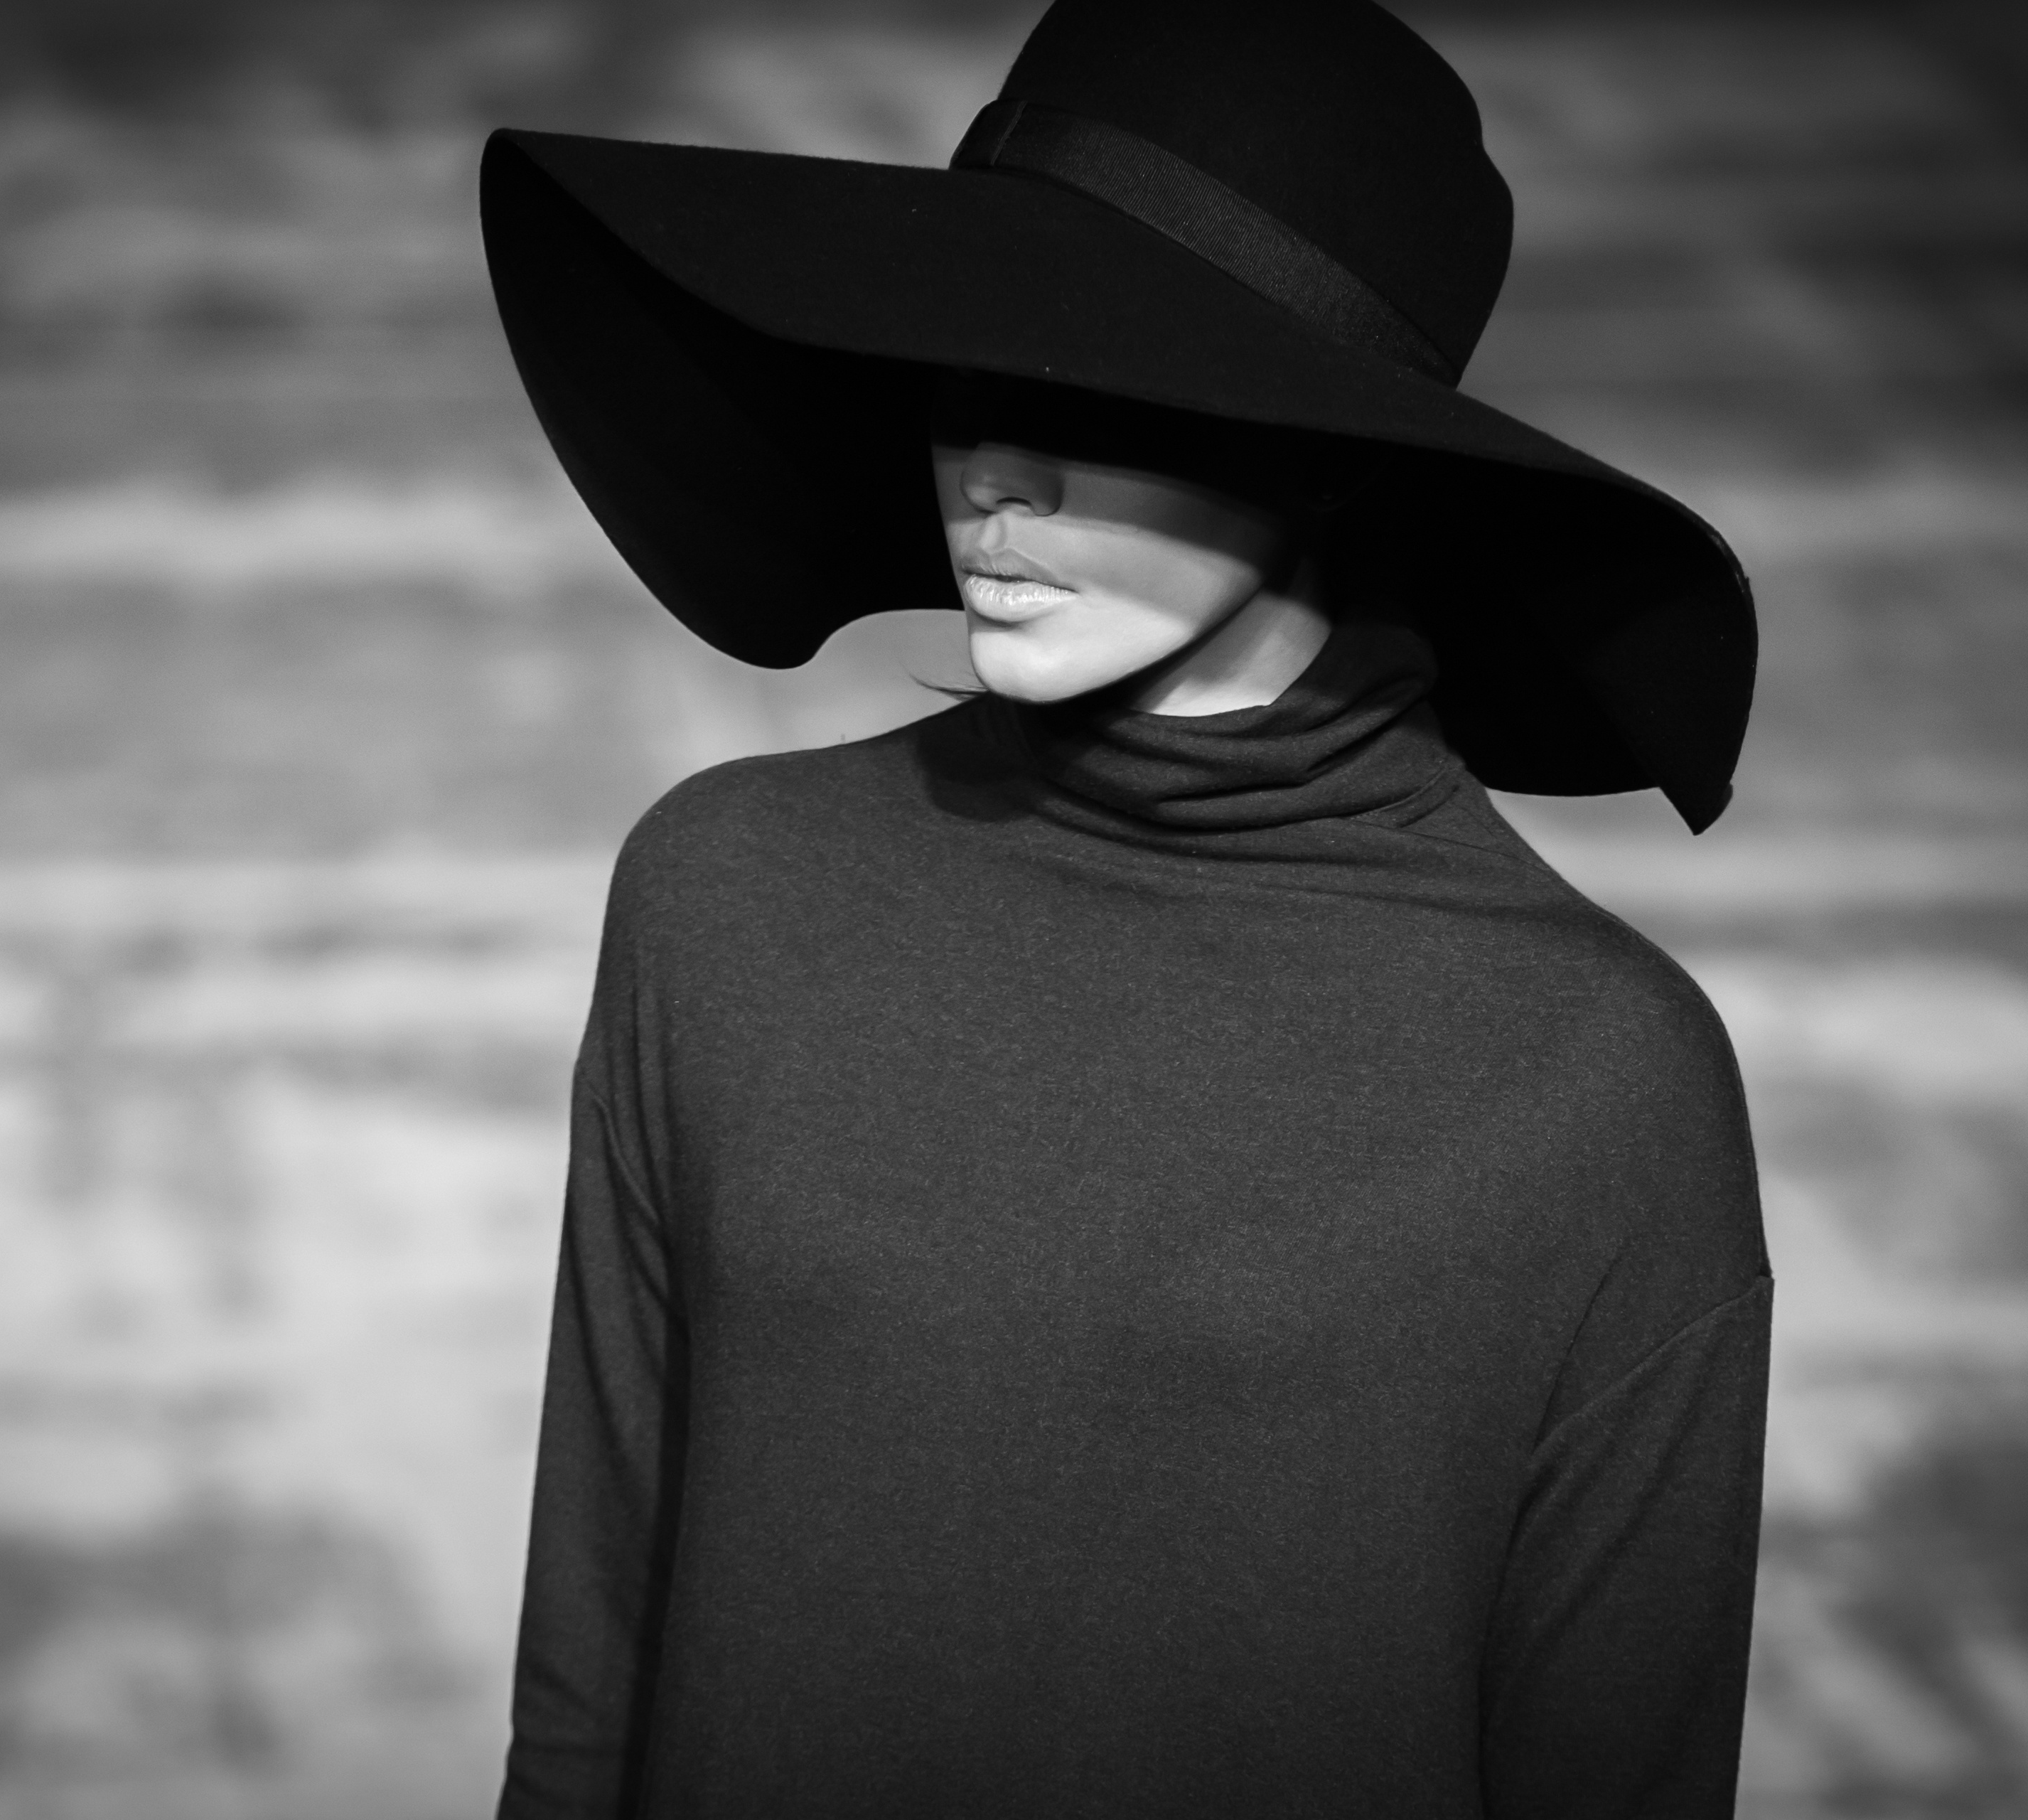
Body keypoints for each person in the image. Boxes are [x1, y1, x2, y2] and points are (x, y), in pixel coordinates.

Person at [479, 2, 1771, 1815]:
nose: (989, 476)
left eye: (1089, 380)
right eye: (957, 366)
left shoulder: (1594, 1081)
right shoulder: (726, 896)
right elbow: (589, 1668)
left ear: (1322, 446)